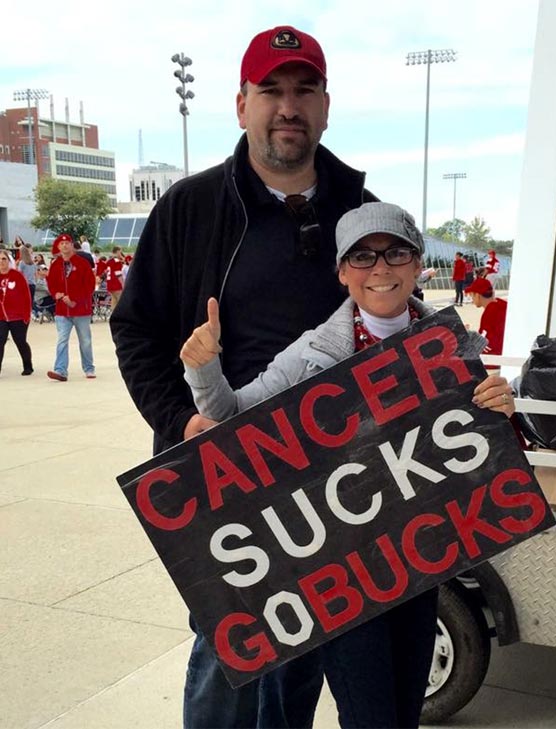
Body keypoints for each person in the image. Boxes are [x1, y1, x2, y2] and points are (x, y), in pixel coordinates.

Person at [110, 23, 379, 728]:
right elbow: (135, 330)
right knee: (226, 657)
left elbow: (394, 327)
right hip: (221, 481)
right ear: (240, 105)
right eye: (271, 91)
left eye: (303, 90)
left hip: (328, 488)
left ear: (325, 106)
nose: (287, 107)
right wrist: (183, 423)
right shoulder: (189, 209)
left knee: (302, 654)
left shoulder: (361, 212)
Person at [180, 202, 516, 728]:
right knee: (369, 717)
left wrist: (501, 409)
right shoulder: (312, 354)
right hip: (346, 573)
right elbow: (231, 419)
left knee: (404, 710)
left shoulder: (457, 348)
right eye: (362, 256)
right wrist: (203, 369)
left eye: (395, 252)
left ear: (417, 264)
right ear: (341, 272)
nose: (380, 268)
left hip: (423, 561)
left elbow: (482, 459)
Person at [46, 233, 95, 381]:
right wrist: (56, 294)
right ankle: (60, 370)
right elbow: (51, 284)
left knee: (85, 341)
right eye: (62, 244)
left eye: (67, 243)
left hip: (81, 310)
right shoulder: (55, 265)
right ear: (58, 247)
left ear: (72, 245)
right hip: (62, 310)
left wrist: (75, 300)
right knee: (62, 340)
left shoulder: (82, 263)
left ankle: (89, 368)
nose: (65, 245)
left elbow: (90, 286)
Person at [0, 249, 34, 375]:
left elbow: (26, 296)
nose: (1, 262)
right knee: (0, 340)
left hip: (17, 316)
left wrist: (27, 314)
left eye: (4, 259)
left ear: (8, 261)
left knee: (20, 341)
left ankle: (27, 365)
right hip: (1, 317)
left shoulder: (17, 276)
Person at [465, 276, 507, 356]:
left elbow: (485, 348)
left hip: (497, 360)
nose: (471, 299)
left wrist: (465, 335)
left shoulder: (491, 311)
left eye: (471, 295)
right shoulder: (501, 304)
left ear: (477, 295)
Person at [97, 246, 127, 311]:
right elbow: (118, 274)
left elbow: (105, 272)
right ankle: (121, 317)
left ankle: (113, 317)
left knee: (114, 302)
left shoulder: (109, 261)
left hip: (110, 283)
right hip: (116, 284)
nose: (121, 253)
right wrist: (123, 284)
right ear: (118, 251)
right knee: (121, 302)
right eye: (120, 252)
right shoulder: (117, 261)